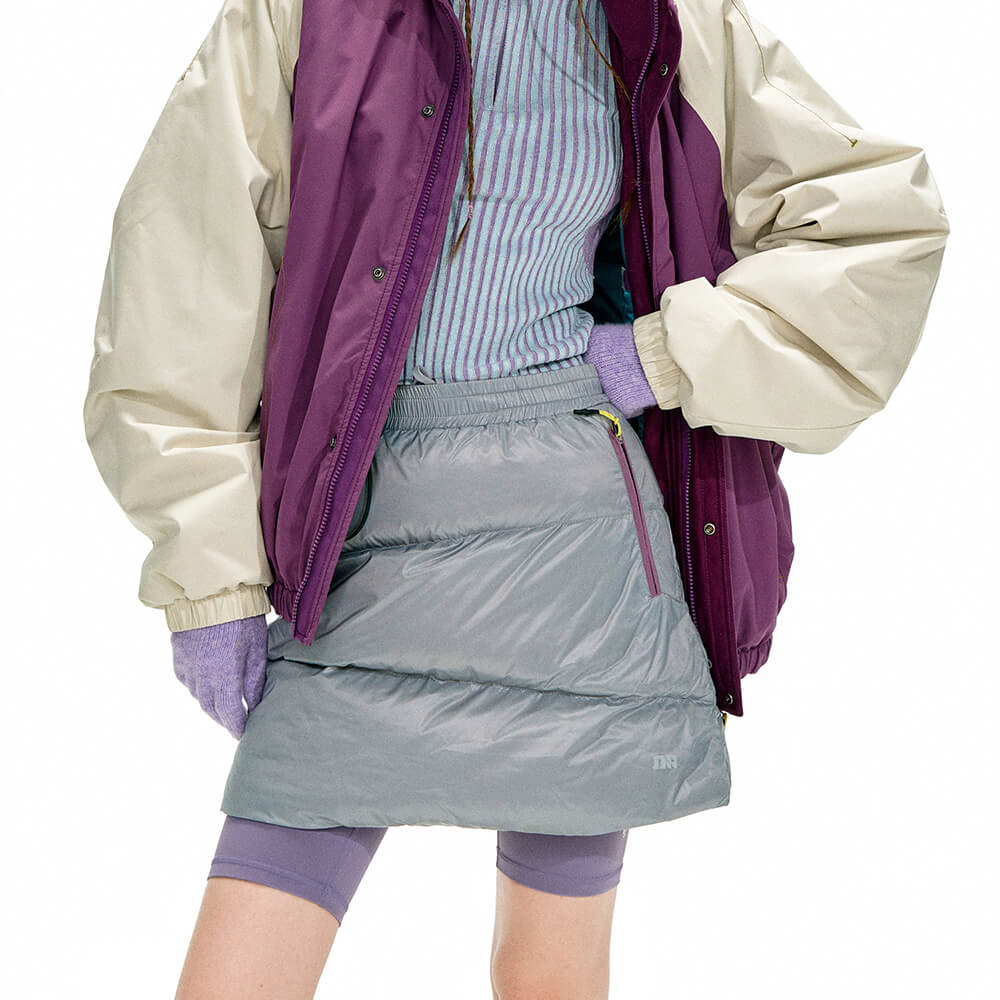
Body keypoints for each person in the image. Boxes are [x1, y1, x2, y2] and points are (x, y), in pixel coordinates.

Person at [82, 1, 949, 997]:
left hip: (579, 546)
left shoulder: (670, 19)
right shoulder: (305, 14)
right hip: (364, 535)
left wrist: (663, 356)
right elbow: (184, 273)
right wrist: (210, 577)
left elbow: (878, 224)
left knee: (548, 975)